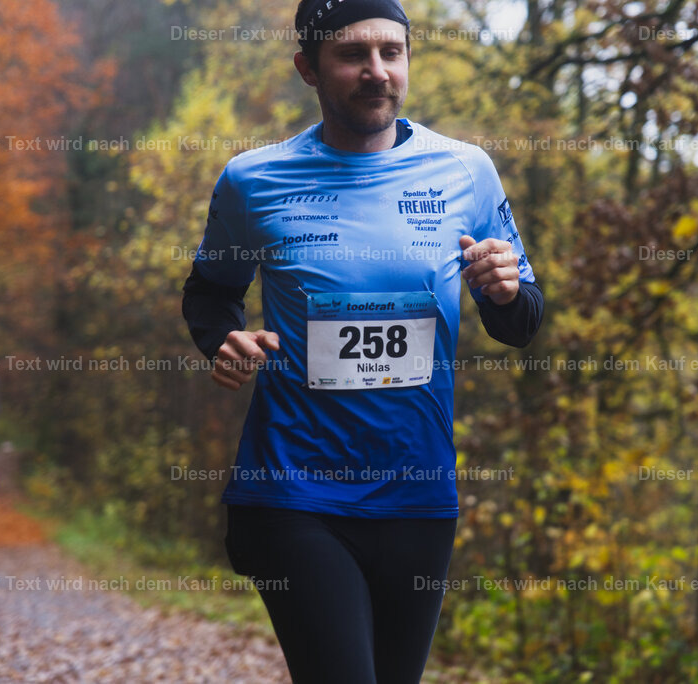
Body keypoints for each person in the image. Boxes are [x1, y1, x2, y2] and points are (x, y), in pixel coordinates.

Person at [181, 1, 543, 680]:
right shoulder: (253, 181)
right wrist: (225, 339)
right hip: (293, 493)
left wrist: (504, 290)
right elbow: (208, 291)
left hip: (420, 494)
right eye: (353, 54)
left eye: (392, 53)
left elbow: (520, 322)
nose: (377, 72)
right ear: (308, 69)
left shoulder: (467, 172)